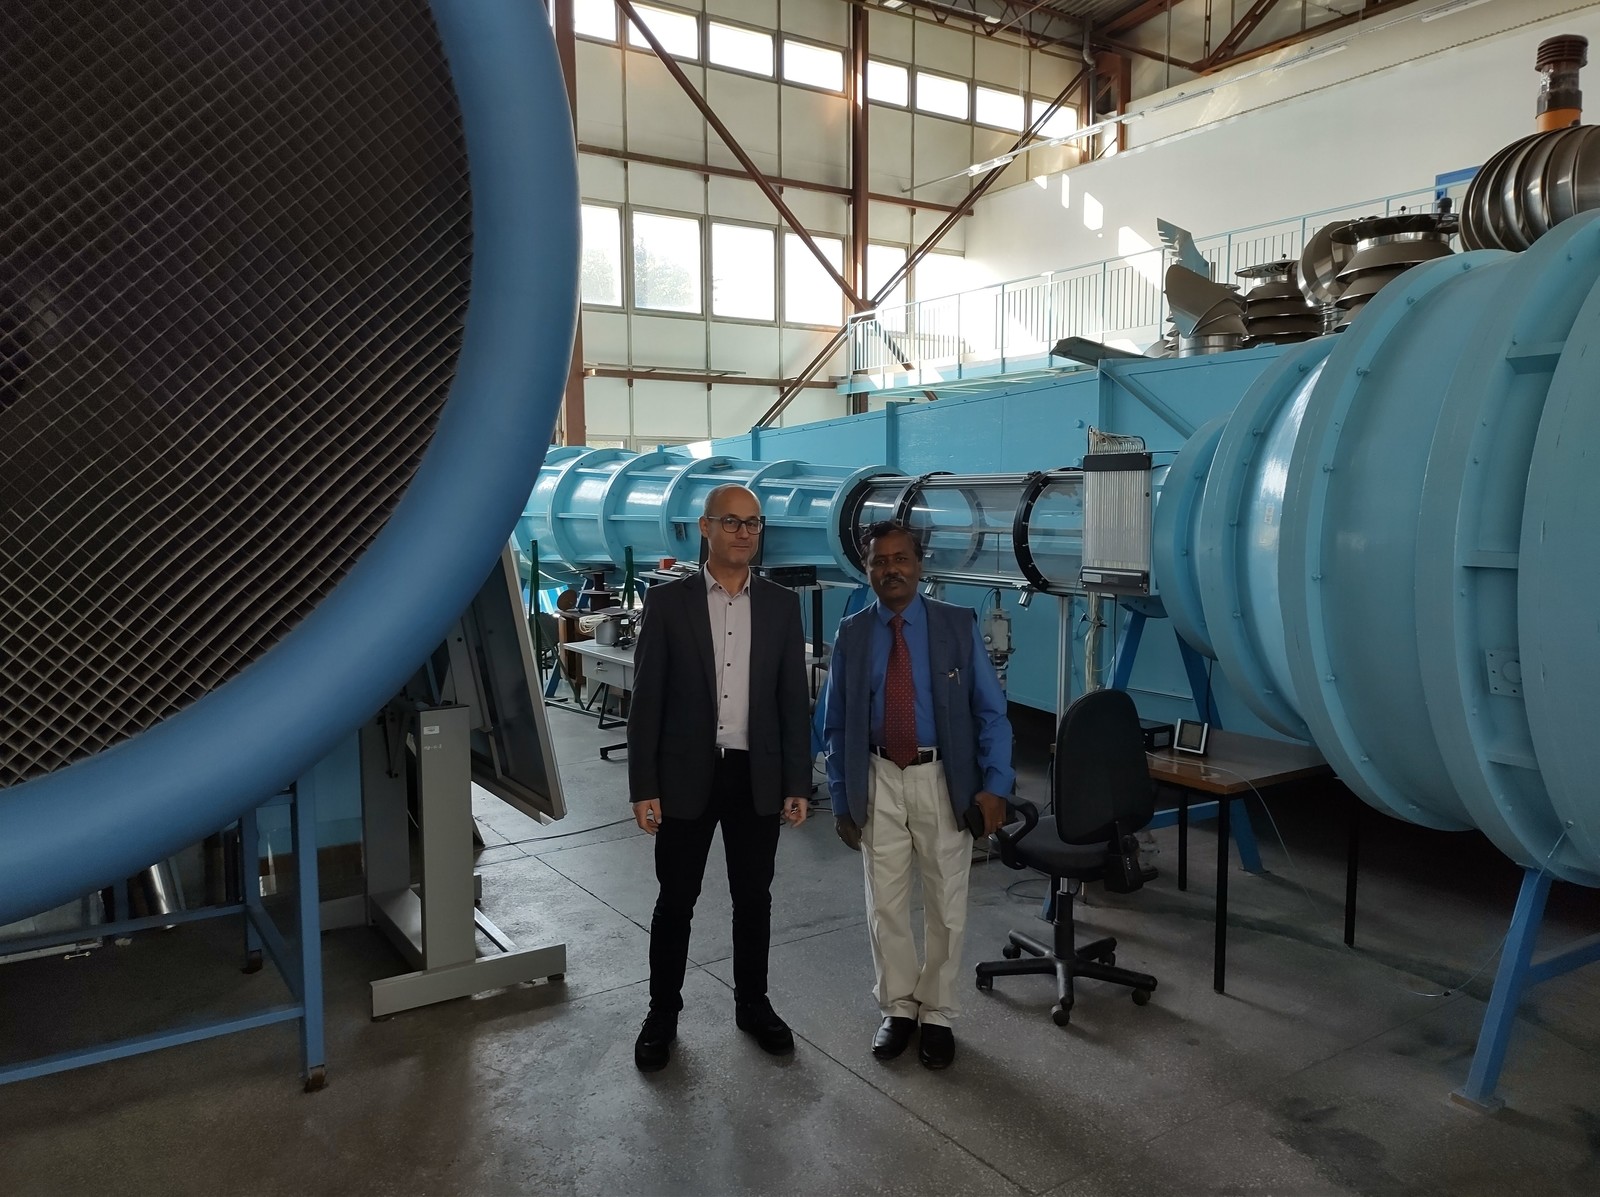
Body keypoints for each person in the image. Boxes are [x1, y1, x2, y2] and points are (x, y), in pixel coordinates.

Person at [626, 484, 813, 1073]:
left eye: (753, 523)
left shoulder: (781, 605)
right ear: (704, 528)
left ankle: (753, 1005)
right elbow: (646, 701)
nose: (744, 533)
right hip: (686, 775)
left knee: (753, 899)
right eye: (731, 522)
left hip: (755, 775)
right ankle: (662, 1013)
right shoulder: (668, 603)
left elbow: (792, 701)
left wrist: (797, 780)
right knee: (676, 900)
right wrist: (643, 784)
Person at [824, 521, 1014, 1070]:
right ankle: (899, 1008)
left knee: (946, 902)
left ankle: (938, 1013)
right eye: (879, 561)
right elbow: (836, 723)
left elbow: (991, 712)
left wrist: (995, 785)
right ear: (867, 570)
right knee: (884, 903)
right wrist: (841, 795)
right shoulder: (853, 633)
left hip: (942, 779)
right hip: (877, 776)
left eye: (900, 558)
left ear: (919, 564)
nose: (891, 569)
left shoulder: (956, 625)